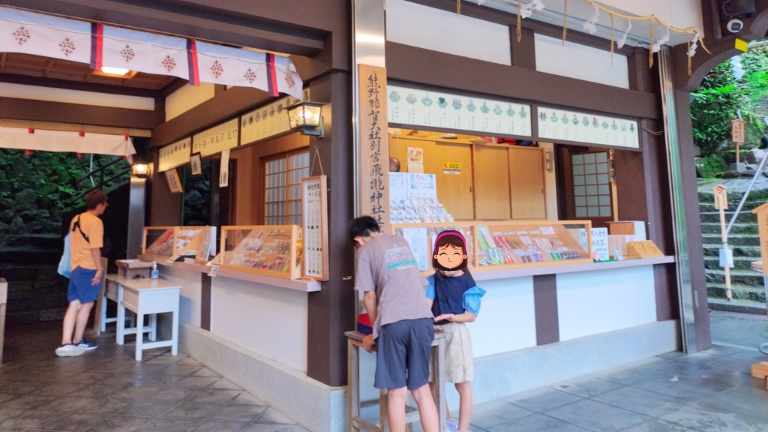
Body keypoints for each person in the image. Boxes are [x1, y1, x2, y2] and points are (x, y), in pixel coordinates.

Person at [351, 216, 439, 432]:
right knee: (421, 390)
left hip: (394, 323)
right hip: (423, 320)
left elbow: (369, 297)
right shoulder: (401, 241)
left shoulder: (365, 250)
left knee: (397, 392)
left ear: (358, 239)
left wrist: (375, 331)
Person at [426, 230, 485, 432]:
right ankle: (444, 421)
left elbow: (471, 315)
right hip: (433, 334)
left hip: (456, 334)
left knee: (462, 384)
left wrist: (452, 317)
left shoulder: (468, 283)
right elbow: (427, 305)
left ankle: (463, 429)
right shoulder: (433, 279)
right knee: (432, 383)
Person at [55, 189, 107, 357]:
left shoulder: (76, 219)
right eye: (104, 204)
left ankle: (69, 342)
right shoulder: (96, 222)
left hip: (76, 267)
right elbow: (94, 248)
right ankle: (73, 342)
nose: (105, 207)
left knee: (75, 303)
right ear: (99, 205)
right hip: (88, 268)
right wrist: (99, 269)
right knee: (86, 305)